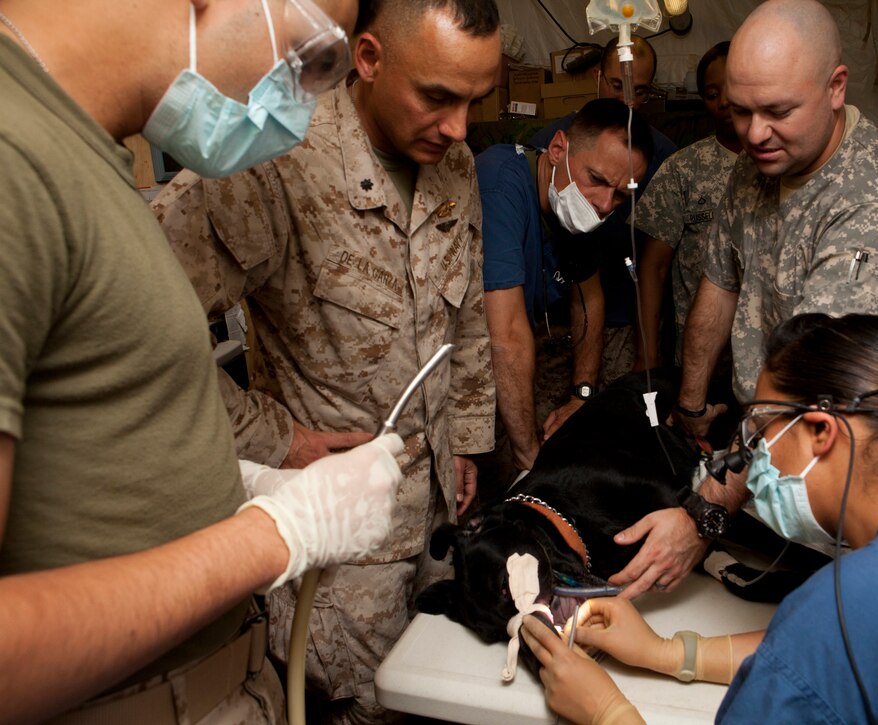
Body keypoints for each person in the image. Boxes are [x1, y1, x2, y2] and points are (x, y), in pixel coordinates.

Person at [0, 0, 413, 723]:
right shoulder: (14, 160)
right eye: (310, 55)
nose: (300, 102)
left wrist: (234, 483)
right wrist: (280, 533)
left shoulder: (77, 153)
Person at [153, 0, 500, 720]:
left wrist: (465, 439)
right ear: (368, 59)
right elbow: (139, 334)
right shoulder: (271, 161)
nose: (459, 127)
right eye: (437, 97)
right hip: (342, 569)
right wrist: (276, 439)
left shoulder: (453, 163)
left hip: (437, 526)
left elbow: (462, 318)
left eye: (475, 101)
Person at [522, 313, 878, 724]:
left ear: (822, 430)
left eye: (760, 434)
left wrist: (606, 712)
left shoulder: (847, 604)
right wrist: (669, 653)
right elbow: (846, 652)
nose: (748, 460)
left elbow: (834, 641)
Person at [597, 0, 878, 600]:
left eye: (777, 111)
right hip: (782, 452)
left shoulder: (876, 205)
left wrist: (704, 515)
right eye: (741, 110)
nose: (753, 133)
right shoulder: (758, 167)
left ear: (835, 88)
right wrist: (694, 405)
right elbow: (718, 283)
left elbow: (817, 394)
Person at [475, 98, 652, 479]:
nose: (604, 205)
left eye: (621, 195)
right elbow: (504, 335)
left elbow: (589, 298)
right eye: (598, 180)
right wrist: (528, 461)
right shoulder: (499, 184)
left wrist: (581, 394)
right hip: (475, 351)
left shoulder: (579, 210)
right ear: (558, 150)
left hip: (527, 340)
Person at [528, 35, 678, 439]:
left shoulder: (661, 157)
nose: (628, 100)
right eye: (617, 85)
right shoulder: (554, 144)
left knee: (610, 432)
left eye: (640, 90)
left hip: (619, 317)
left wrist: (647, 352)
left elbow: (655, 259)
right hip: (555, 319)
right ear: (597, 78)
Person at [632, 40, 742, 374]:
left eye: (732, 89)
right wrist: (648, 354)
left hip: (773, 360)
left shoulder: (784, 163)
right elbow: (652, 269)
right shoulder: (682, 169)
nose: (723, 102)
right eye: (711, 94)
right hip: (702, 363)